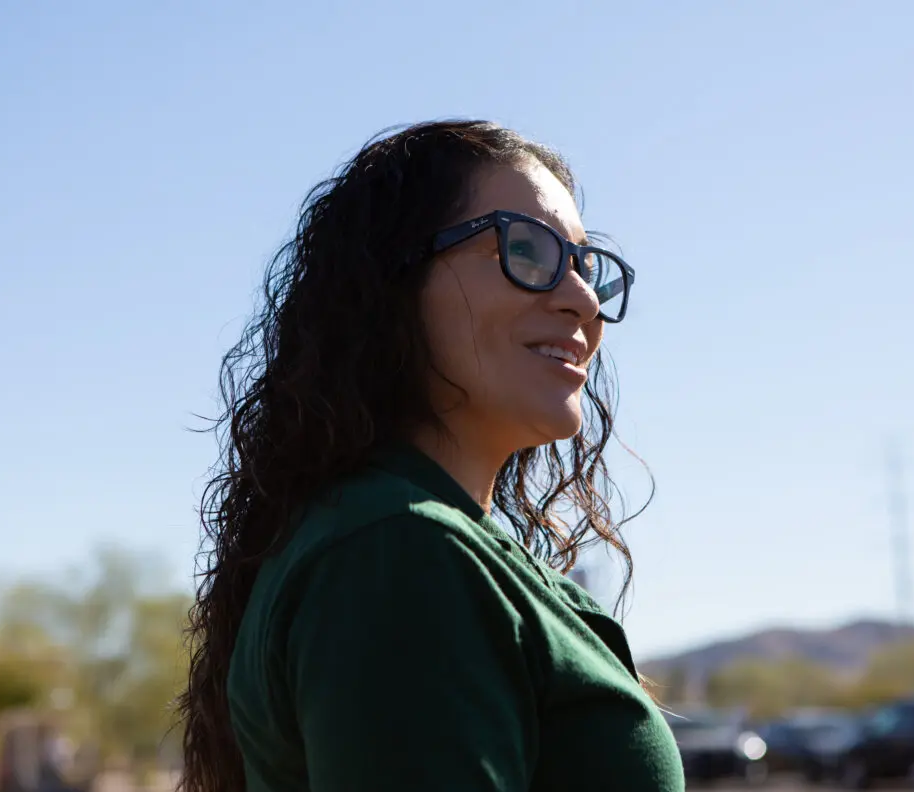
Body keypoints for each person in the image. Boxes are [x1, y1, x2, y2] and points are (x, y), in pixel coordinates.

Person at [180, 120, 685, 792]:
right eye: (527, 250)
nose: (584, 301)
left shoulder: (417, 544)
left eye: (586, 266)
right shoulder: (399, 551)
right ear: (391, 284)